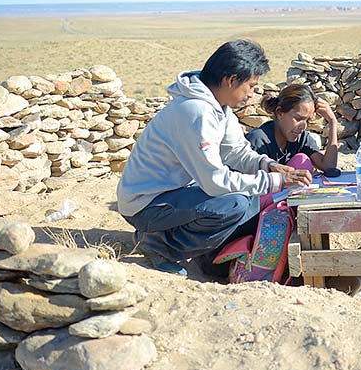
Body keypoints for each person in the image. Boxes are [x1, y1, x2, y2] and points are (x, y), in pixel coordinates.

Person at [116, 40, 312, 275]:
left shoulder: (219, 107)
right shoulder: (195, 111)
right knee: (234, 204)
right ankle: (161, 247)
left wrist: (269, 165)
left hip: (176, 194)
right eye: (250, 86)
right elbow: (215, 181)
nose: (252, 94)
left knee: (250, 199)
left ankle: (189, 245)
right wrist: (276, 182)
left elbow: (236, 150)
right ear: (231, 80)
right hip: (146, 203)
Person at [245, 83, 340, 175]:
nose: (303, 126)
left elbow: (329, 167)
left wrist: (332, 121)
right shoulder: (258, 141)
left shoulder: (301, 138)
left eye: (307, 120)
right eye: (298, 118)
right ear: (279, 113)